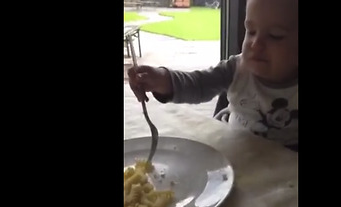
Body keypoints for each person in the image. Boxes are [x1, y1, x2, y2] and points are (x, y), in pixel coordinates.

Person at [128, 0, 298, 151]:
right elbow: (198, 83)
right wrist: (163, 80)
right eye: (251, 31)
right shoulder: (236, 69)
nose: (256, 44)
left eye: (275, 36)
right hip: (235, 151)